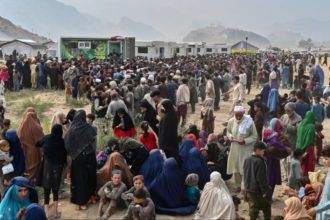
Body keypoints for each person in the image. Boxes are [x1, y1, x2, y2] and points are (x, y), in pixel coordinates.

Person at [64, 110, 97, 210]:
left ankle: (82, 202)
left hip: (78, 158)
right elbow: (93, 142)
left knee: (80, 180)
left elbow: (67, 144)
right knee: (91, 176)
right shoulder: (89, 128)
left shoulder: (71, 130)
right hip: (90, 156)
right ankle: (92, 196)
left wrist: (73, 154)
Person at [36, 124, 67, 218]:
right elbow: (64, 158)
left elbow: (37, 143)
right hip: (57, 169)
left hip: (47, 168)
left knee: (46, 191)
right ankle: (55, 213)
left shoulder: (47, 138)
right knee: (55, 191)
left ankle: (45, 214)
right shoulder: (62, 142)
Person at [227, 106, 258, 192]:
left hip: (245, 149)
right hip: (234, 148)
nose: (238, 117)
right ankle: (238, 185)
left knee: (244, 168)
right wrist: (230, 136)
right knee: (236, 168)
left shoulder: (249, 122)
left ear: (243, 113)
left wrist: (245, 141)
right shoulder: (231, 121)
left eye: (240, 115)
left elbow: (255, 136)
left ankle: (244, 188)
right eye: (237, 115)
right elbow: (228, 131)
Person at [243, 141, 271, 220]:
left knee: (252, 207)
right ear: (258, 150)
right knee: (266, 207)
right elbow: (260, 178)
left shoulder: (247, 159)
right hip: (257, 189)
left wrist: (245, 188)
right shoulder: (259, 161)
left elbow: (245, 175)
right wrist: (264, 191)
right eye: (263, 150)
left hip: (248, 188)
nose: (263, 152)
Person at [17, 110, 44, 180]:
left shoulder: (22, 126)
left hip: (24, 148)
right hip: (34, 149)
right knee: (34, 165)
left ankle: (27, 179)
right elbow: (41, 139)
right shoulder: (35, 127)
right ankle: (31, 179)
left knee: (28, 164)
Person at [307, 145, 330, 219]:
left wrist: (316, 209)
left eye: (326, 159)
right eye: (323, 158)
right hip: (322, 210)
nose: (323, 161)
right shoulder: (329, 170)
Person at [296, 111, 316, 176]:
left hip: (299, 147)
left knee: (301, 163)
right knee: (309, 164)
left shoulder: (300, 124)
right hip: (308, 147)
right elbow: (310, 138)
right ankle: (307, 178)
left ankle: (301, 177)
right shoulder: (312, 126)